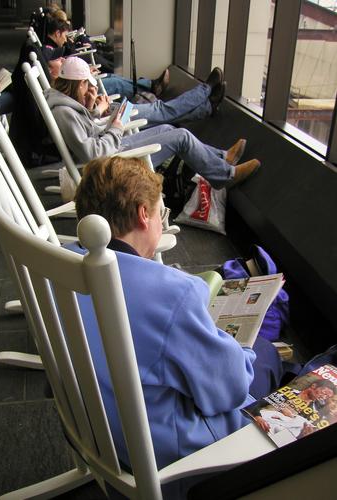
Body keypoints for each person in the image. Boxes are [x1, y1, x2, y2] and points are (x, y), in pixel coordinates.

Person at [67, 156, 282, 472]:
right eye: (160, 214)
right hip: (159, 451)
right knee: (265, 355)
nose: (160, 222)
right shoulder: (172, 293)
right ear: (143, 214)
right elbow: (229, 391)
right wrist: (242, 352)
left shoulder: (59, 264)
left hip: (89, 424)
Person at [45, 57, 261, 189]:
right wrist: (116, 127)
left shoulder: (64, 105)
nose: (87, 89)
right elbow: (92, 153)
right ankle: (225, 176)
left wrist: (93, 110)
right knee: (181, 135)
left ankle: (222, 158)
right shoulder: (64, 112)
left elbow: (87, 135)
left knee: (167, 127)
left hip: (113, 150)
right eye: (85, 85)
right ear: (77, 84)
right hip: (109, 167)